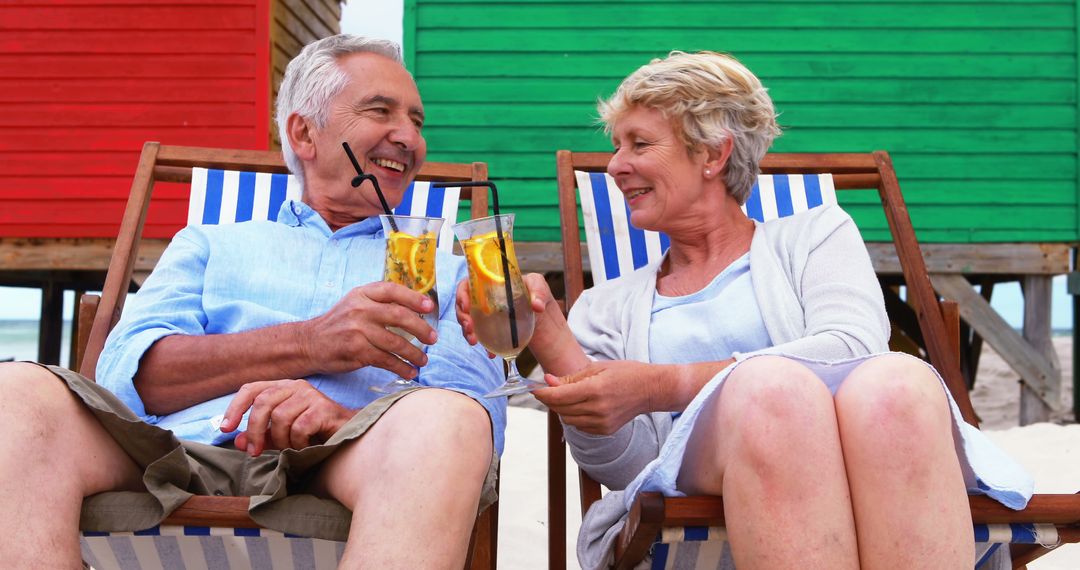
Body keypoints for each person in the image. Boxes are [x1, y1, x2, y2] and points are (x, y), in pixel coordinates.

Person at [457, 51, 1032, 569]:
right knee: (771, 392)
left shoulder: (815, 235)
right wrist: (554, 338)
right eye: (615, 147)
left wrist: (661, 386)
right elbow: (627, 469)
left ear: (710, 153)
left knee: (899, 382)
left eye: (638, 144)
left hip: (871, 469)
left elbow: (855, 348)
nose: (614, 167)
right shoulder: (608, 306)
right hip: (697, 504)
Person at [0, 34, 505, 568]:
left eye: (417, 122)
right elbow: (128, 375)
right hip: (174, 453)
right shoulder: (211, 243)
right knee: (16, 392)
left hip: (345, 463)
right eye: (380, 110)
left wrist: (345, 417)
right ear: (304, 134)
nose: (408, 137)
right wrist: (311, 343)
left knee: (448, 421)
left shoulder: (449, 276)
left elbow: (473, 419)